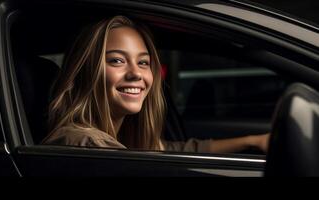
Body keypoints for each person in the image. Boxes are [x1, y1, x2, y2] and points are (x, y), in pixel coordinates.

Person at [41, 15, 270, 153]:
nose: (136, 74)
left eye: (143, 62)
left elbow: (176, 150)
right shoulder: (83, 143)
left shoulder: (119, 137)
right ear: (85, 72)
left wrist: (253, 141)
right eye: (117, 60)